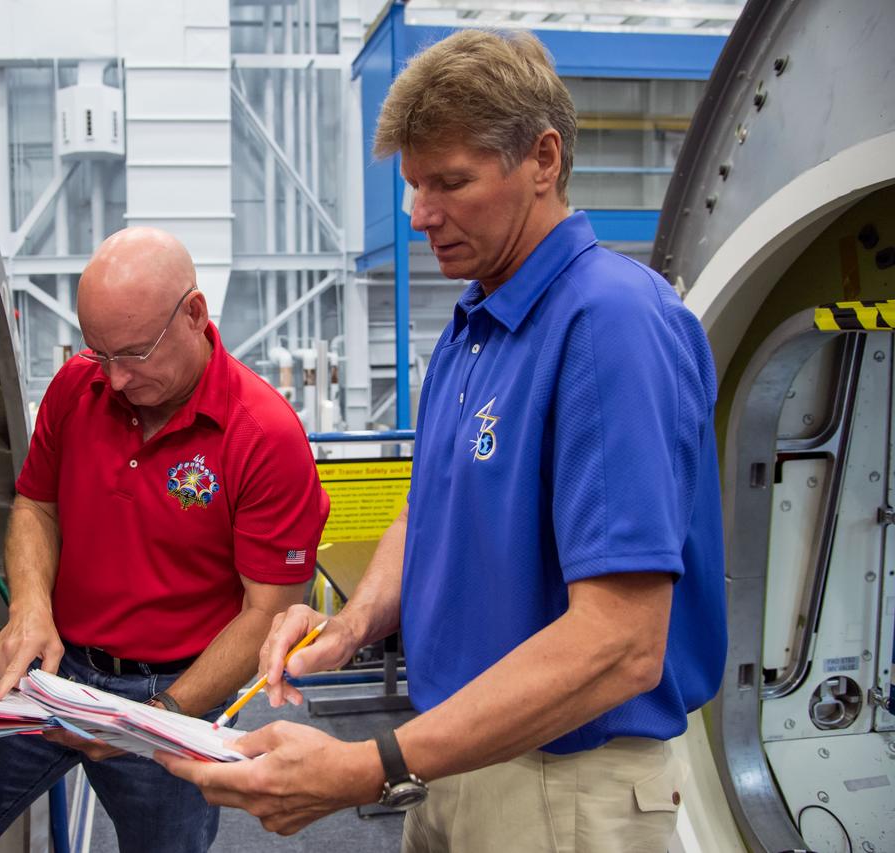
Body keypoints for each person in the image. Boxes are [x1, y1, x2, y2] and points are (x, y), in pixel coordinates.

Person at [160, 28, 726, 852]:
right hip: (453, 754)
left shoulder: (610, 323)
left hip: (562, 783)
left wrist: (367, 765)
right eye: (415, 184)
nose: (420, 214)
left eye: (451, 182)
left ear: (543, 159)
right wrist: (349, 626)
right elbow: (428, 510)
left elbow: (621, 644)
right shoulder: (474, 326)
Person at [0, 226, 329, 851]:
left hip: (173, 693)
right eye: (99, 352)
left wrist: (157, 719)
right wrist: (30, 608)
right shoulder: (76, 386)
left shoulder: (264, 437)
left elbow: (271, 610)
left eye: (133, 354)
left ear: (195, 314)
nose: (113, 379)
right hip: (54, 670)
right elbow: (36, 504)